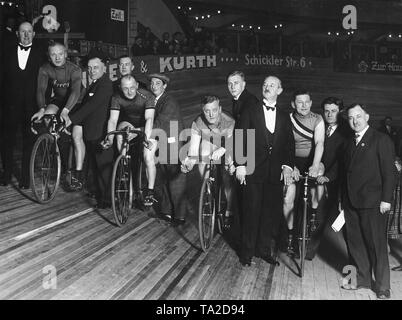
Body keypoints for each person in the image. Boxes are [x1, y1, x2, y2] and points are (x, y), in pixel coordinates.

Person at [235, 76, 294, 267]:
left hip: (274, 173)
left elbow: (288, 145)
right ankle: (247, 252)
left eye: (272, 85)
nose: (267, 87)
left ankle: (263, 250)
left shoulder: (285, 116)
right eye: (265, 84)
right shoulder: (250, 110)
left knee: (269, 213)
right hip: (252, 169)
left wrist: (287, 166)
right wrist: (241, 164)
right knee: (251, 210)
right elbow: (240, 137)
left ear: (279, 90)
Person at [341, 103, 397, 299]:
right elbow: (344, 174)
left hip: (373, 202)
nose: (355, 121)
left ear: (367, 116)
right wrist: (342, 200)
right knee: (355, 243)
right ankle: (361, 279)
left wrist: (386, 200)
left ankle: (382, 287)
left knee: (376, 245)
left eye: (358, 116)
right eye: (350, 118)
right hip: (350, 201)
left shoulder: (381, 139)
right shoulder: (348, 142)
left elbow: (390, 173)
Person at [0, 22, 45, 188]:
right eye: (23, 32)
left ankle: (25, 178)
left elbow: (44, 84)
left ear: (33, 34)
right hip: (9, 106)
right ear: (17, 34)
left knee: (29, 143)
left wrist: (42, 106)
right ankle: (6, 175)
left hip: (31, 107)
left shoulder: (41, 55)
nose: (26, 35)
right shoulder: (6, 53)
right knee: (7, 141)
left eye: (29, 32)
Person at [66, 53, 114, 208]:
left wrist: (70, 120)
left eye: (96, 67)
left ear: (104, 69)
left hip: (100, 133)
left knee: (104, 169)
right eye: (90, 68)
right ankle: (102, 198)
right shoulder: (95, 84)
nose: (93, 70)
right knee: (96, 168)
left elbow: (90, 106)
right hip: (92, 133)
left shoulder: (105, 84)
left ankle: (106, 201)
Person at [281, 89, 325, 256]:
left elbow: (319, 142)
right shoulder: (287, 119)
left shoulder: (317, 119)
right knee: (288, 197)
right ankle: (291, 234)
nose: (304, 105)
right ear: (293, 104)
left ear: (311, 103)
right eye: (300, 102)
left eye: (307, 102)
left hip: (312, 159)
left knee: (318, 180)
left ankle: (313, 214)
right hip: (292, 161)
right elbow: (284, 145)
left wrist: (314, 165)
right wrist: (291, 166)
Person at [181, 95, 236, 226]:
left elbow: (231, 145)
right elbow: (193, 151)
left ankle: (229, 209)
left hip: (226, 145)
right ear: (202, 110)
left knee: (228, 172)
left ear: (220, 109)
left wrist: (223, 151)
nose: (211, 114)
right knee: (203, 153)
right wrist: (188, 164)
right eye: (207, 111)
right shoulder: (198, 122)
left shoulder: (229, 121)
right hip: (209, 142)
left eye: (214, 110)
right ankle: (208, 189)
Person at [307, 97, 350, 260]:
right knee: (317, 214)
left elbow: (343, 160)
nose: (329, 114)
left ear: (341, 112)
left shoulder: (347, 131)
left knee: (342, 220)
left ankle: (353, 259)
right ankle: (309, 251)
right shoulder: (319, 125)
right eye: (326, 111)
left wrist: (327, 177)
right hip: (316, 177)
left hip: (337, 180)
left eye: (333, 111)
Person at [104, 75, 156, 206]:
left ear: (137, 86)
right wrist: (109, 138)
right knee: (121, 130)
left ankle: (150, 191)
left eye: (132, 88)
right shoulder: (116, 97)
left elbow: (149, 119)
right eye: (125, 88)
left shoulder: (147, 96)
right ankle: (123, 164)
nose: (129, 91)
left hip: (145, 125)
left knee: (147, 156)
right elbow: (113, 120)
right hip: (127, 124)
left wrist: (147, 138)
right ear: (120, 88)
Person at [31, 42, 82, 174]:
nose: (57, 57)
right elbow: (41, 90)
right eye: (53, 54)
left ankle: (69, 165)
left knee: (66, 126)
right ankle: (54, 145)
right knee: (47, 117)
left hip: (75, 102)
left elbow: (75, 91)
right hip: (58, 100)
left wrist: (65, 111)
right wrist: (42, 108)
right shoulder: (44, 68)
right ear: (49, 56)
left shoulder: (74, 69)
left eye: (60, 54)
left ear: (65, 54)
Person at [148, 73, 187, 225]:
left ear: (164, 86)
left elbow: (159, 122)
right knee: (165, 178)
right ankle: (167, 212)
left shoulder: (169, 101)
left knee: (176, 181)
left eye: (158, 83)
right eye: (152, 83)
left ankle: (180, 216)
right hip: (164, 142)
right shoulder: (155, 100)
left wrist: (141, 131)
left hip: (174, 143)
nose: (154, 86)